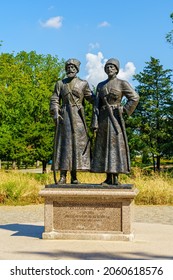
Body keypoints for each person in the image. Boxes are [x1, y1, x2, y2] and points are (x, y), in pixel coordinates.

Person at [91, 58, 139, 185]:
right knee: (104, 147)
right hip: (103, 119)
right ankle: (108, 177)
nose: (109, 69)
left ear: (117, 69)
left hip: (115, 119)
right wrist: (95, 123)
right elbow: (96, 106)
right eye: (107, 67)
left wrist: (124, 109)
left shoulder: (122, 83)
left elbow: (134, 97)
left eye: (112, 67)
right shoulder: (101, 85)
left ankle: (116, 177)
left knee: (115, 146)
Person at [50, 58, 94, 184]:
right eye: (68, 67)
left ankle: (74, 176)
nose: (70, 69)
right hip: (65, 117)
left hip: (78, 118)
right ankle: (63, 175)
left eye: (73, 67)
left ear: (77, 70)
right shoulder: (60, 84)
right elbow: (54, 99)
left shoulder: (83, 84)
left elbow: (92, 98)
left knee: (76, 146)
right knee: (65, 145)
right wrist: (55, 112)